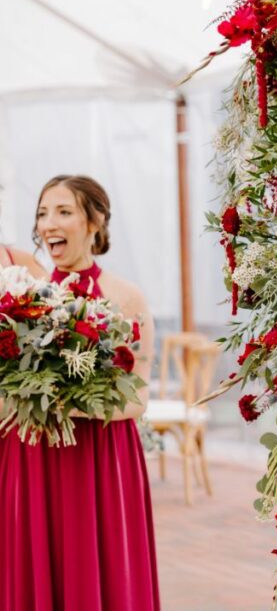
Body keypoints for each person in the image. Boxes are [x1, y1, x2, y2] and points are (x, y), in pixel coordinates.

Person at [0, 175, 160, 610]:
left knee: (99, 572)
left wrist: (70, 400)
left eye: (64, 211)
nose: (49, 222)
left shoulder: (127, 297)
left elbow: (139, 398)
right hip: (32, 455)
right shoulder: (21, 296)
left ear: (95, 222)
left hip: (100, 457)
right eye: (42, 213)